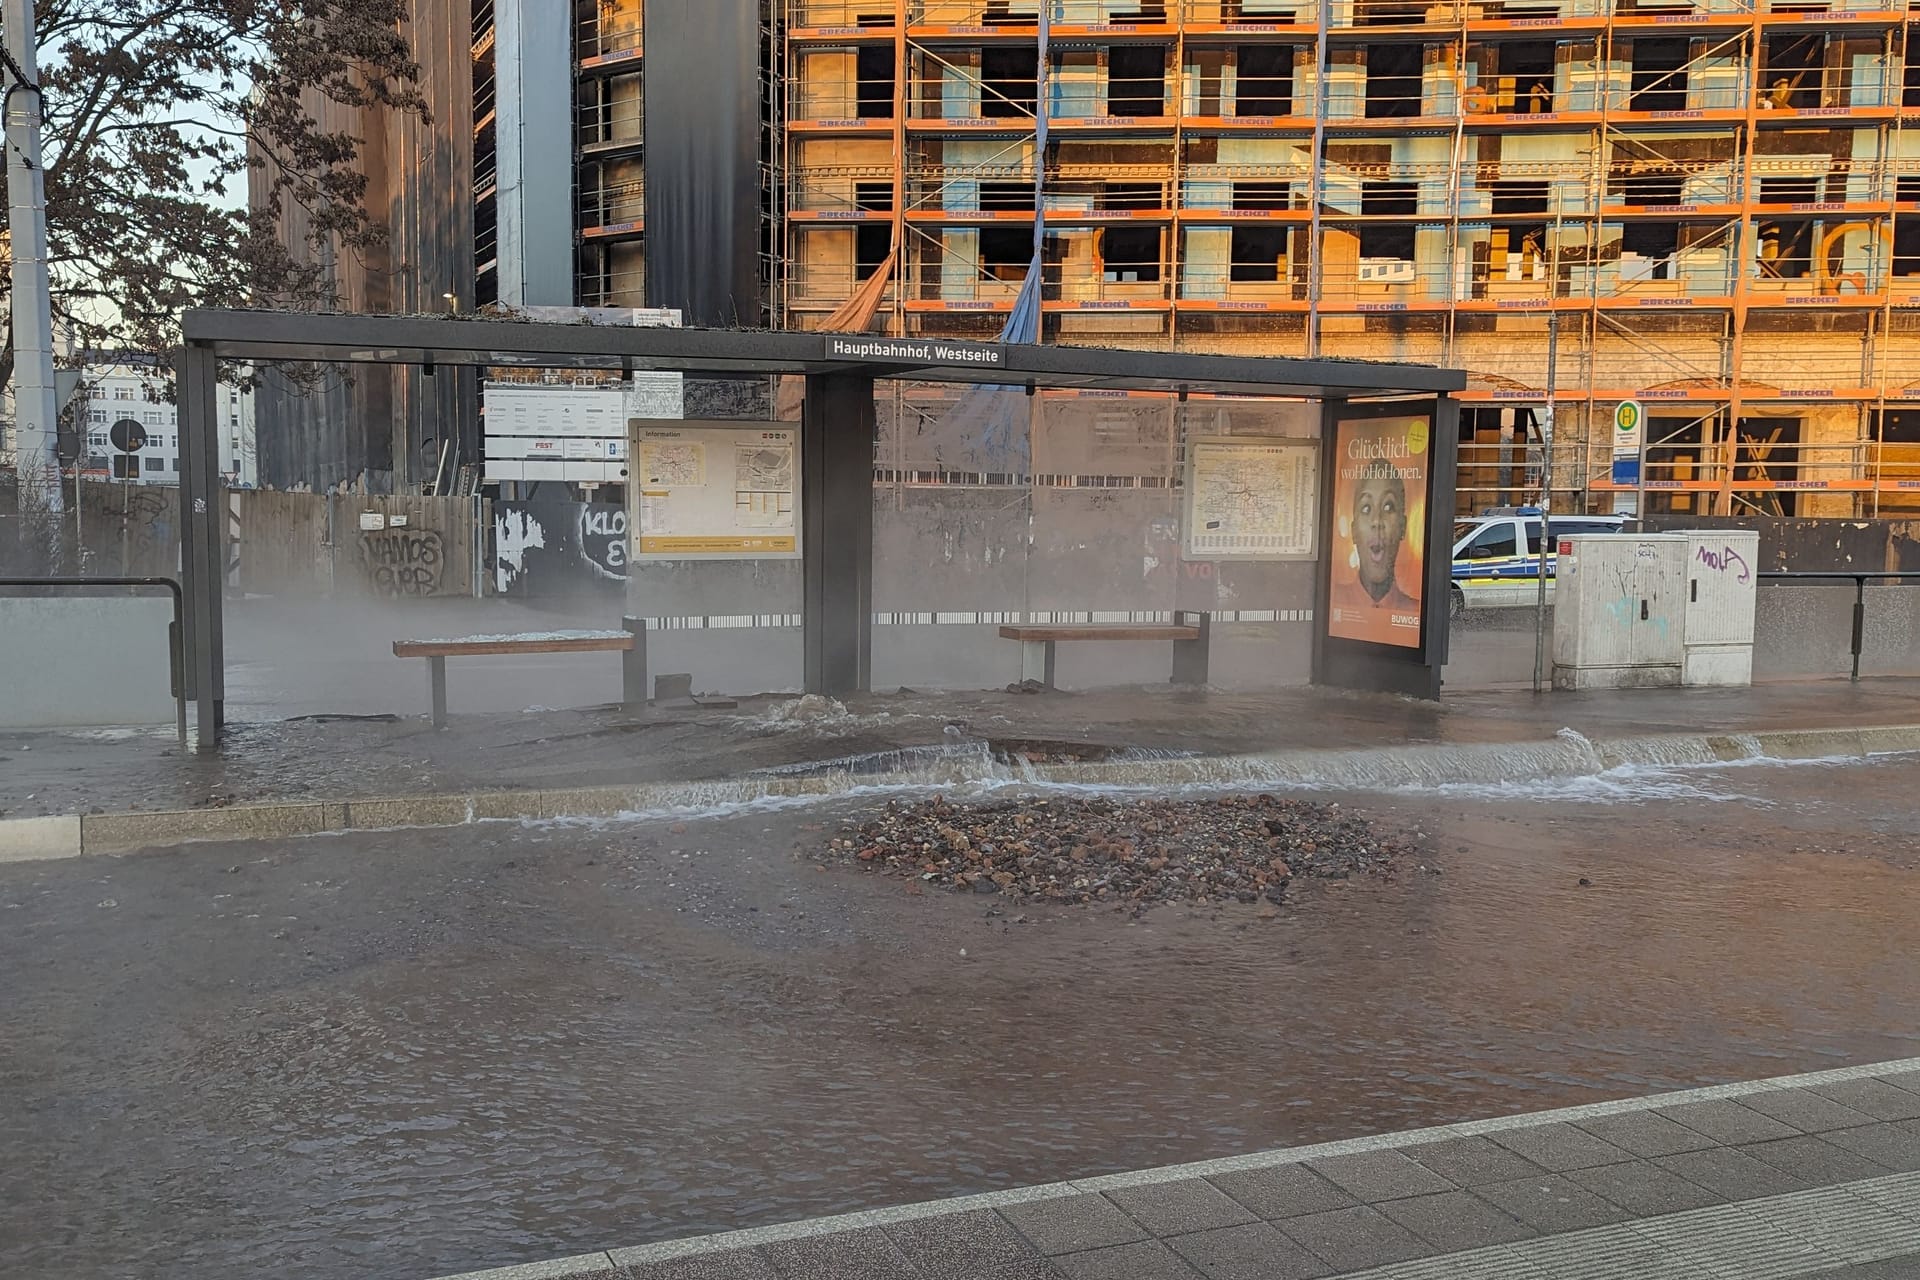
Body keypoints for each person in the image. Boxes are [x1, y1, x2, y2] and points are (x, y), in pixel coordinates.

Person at [1333, 460, 1420, 621]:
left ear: (1403, 527)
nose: (1377, 521)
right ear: (1354, 530)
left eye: (1388, 507)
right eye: (1366, 508)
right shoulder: (1334, 601)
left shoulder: (1415, 612)